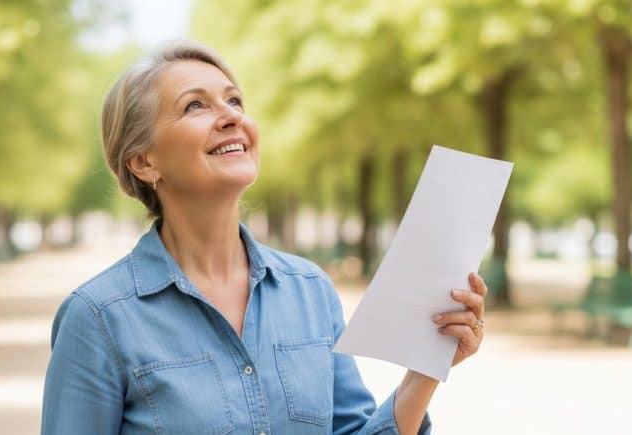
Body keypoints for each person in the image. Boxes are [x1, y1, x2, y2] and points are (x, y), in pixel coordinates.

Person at [41, 40, 487, 435]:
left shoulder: (310, 290)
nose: (231, 116)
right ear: (143, 162)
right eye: (195, 105)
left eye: (234, 101)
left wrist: (425, 368)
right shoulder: (97, 319)